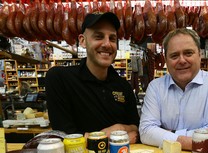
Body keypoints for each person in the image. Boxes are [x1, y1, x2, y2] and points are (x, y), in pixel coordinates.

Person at [45, 12, 139, 143]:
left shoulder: (123, 86)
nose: (107, 44)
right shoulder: (59, 78)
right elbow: (62, 135)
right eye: (98, 37)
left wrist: (120, 127)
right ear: (82, 41)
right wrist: (108, 137)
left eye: (112, 38)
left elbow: (135, 128)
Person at [139, 28, 208, 150]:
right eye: (174, 55)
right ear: (166, 60)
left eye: (188, 53)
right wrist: (191, 140)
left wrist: (167, 133)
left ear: (199, 55)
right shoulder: (155, 87)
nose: (182, 60)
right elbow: (146, 132)